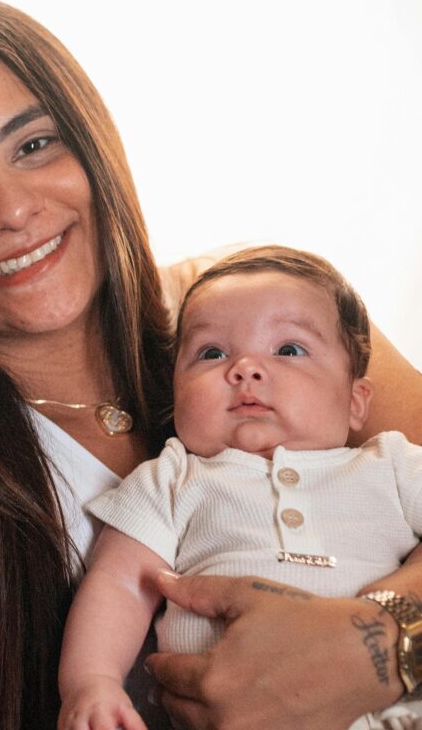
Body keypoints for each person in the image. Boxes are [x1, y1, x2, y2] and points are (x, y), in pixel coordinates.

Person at [0, 0, 422, 730]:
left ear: (93, 146)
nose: (8, 209)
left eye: (34, 145)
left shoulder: (270, 313)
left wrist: (380, 644)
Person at [58, 246, 422, 730]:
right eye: (212, 353)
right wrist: (92, 681)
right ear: (176, 395)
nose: (245, 369)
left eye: (289, 350)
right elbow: (121, 582)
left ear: (356, 401)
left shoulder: (391, 464)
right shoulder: (171, 479)